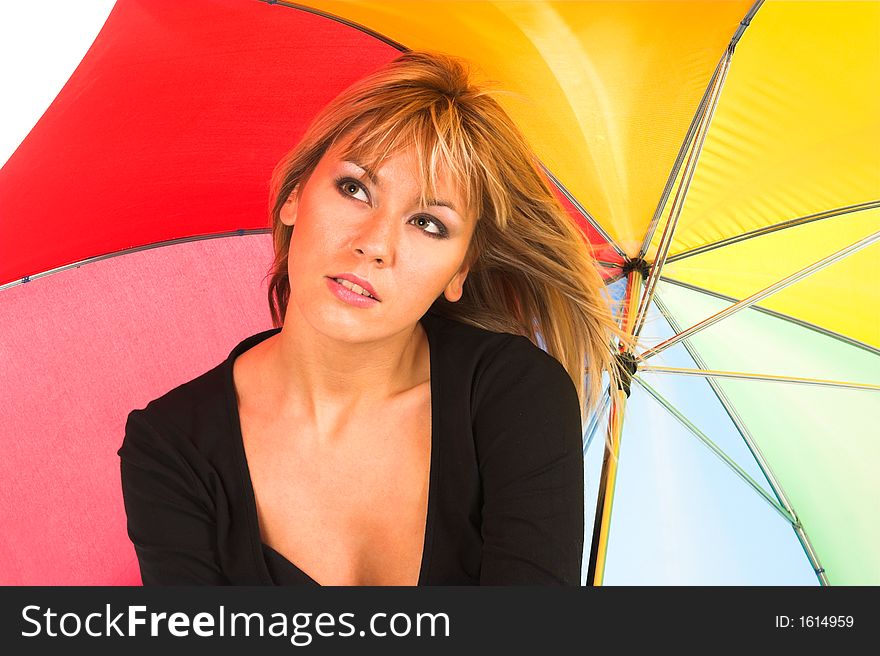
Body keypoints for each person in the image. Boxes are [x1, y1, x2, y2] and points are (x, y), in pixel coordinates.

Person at [117, 51, 630, 586]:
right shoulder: (171, 447)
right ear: (295, 195)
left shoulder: (515, 397)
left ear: (461, 270)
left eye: (428, 223)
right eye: (355, 188)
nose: (376, 244)